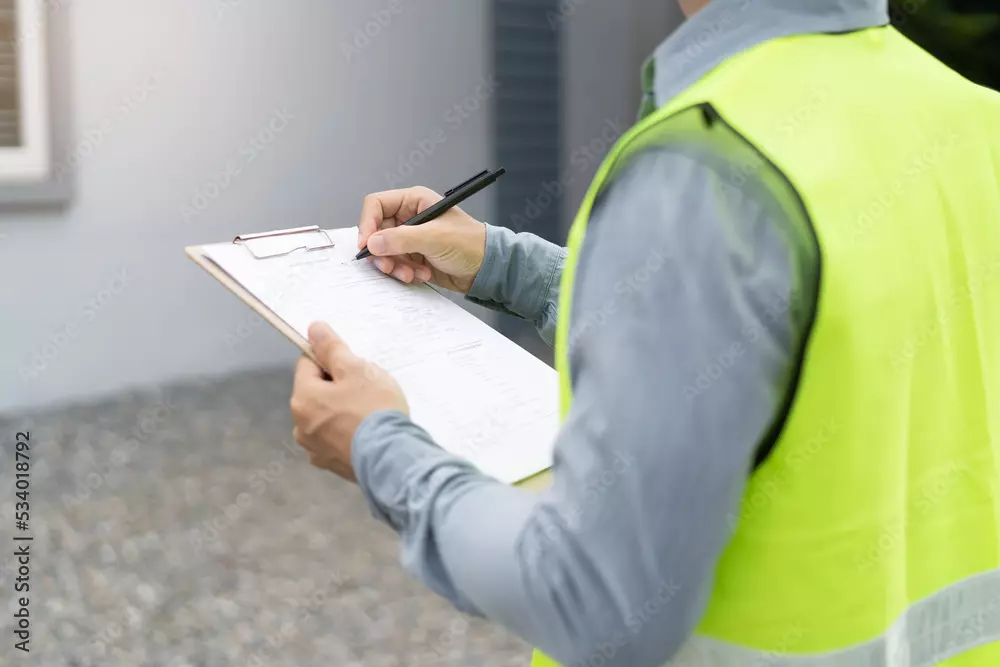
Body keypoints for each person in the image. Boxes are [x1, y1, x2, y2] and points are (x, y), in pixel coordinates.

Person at [289, 0, 1000, 665]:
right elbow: (785, 341)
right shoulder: (974, 120)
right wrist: (503, 264)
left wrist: (379, 445)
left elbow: (593, 599)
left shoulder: (710, 167)